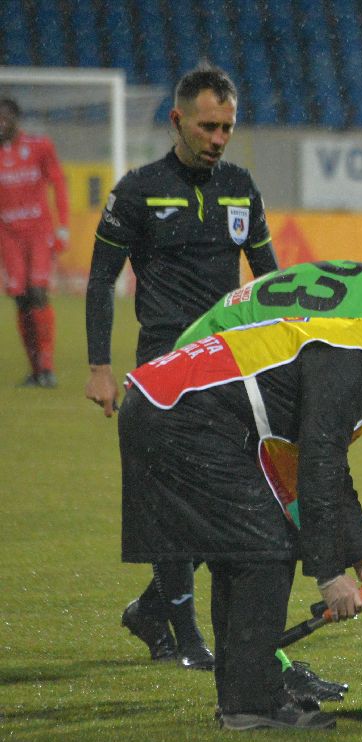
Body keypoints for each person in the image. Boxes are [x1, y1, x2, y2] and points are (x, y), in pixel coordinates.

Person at [118, 274, 362, 730]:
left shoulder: (356, 348)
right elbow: (318, 467)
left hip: (165, 405)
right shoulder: (355, 365)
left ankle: (246, 696)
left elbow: (327, 470)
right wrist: (329, 576)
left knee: (245, 553)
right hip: (179, 413)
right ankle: (251, 702)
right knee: (266, 550)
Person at [84, 66, 278, 674]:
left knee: (221, 501)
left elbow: (269, 279)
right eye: (207, 126)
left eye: (227, 127)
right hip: (162, 368)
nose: (218, 138)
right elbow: (99, 280)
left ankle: (152, 609)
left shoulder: (241, 187)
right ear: (177, 120)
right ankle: (188, 635)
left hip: (225, 365)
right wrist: (98, 367)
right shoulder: (138, 191)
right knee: (175, 503)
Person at [0, 94, 69, 388]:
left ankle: (47, 368)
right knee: (21, 298)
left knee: (38, 293)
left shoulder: (40, 146)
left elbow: (58, 182)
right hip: (8, 236)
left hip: (38, 233)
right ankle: (35, 369)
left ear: (16, 119)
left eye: (5, 117)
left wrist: (63, 227)